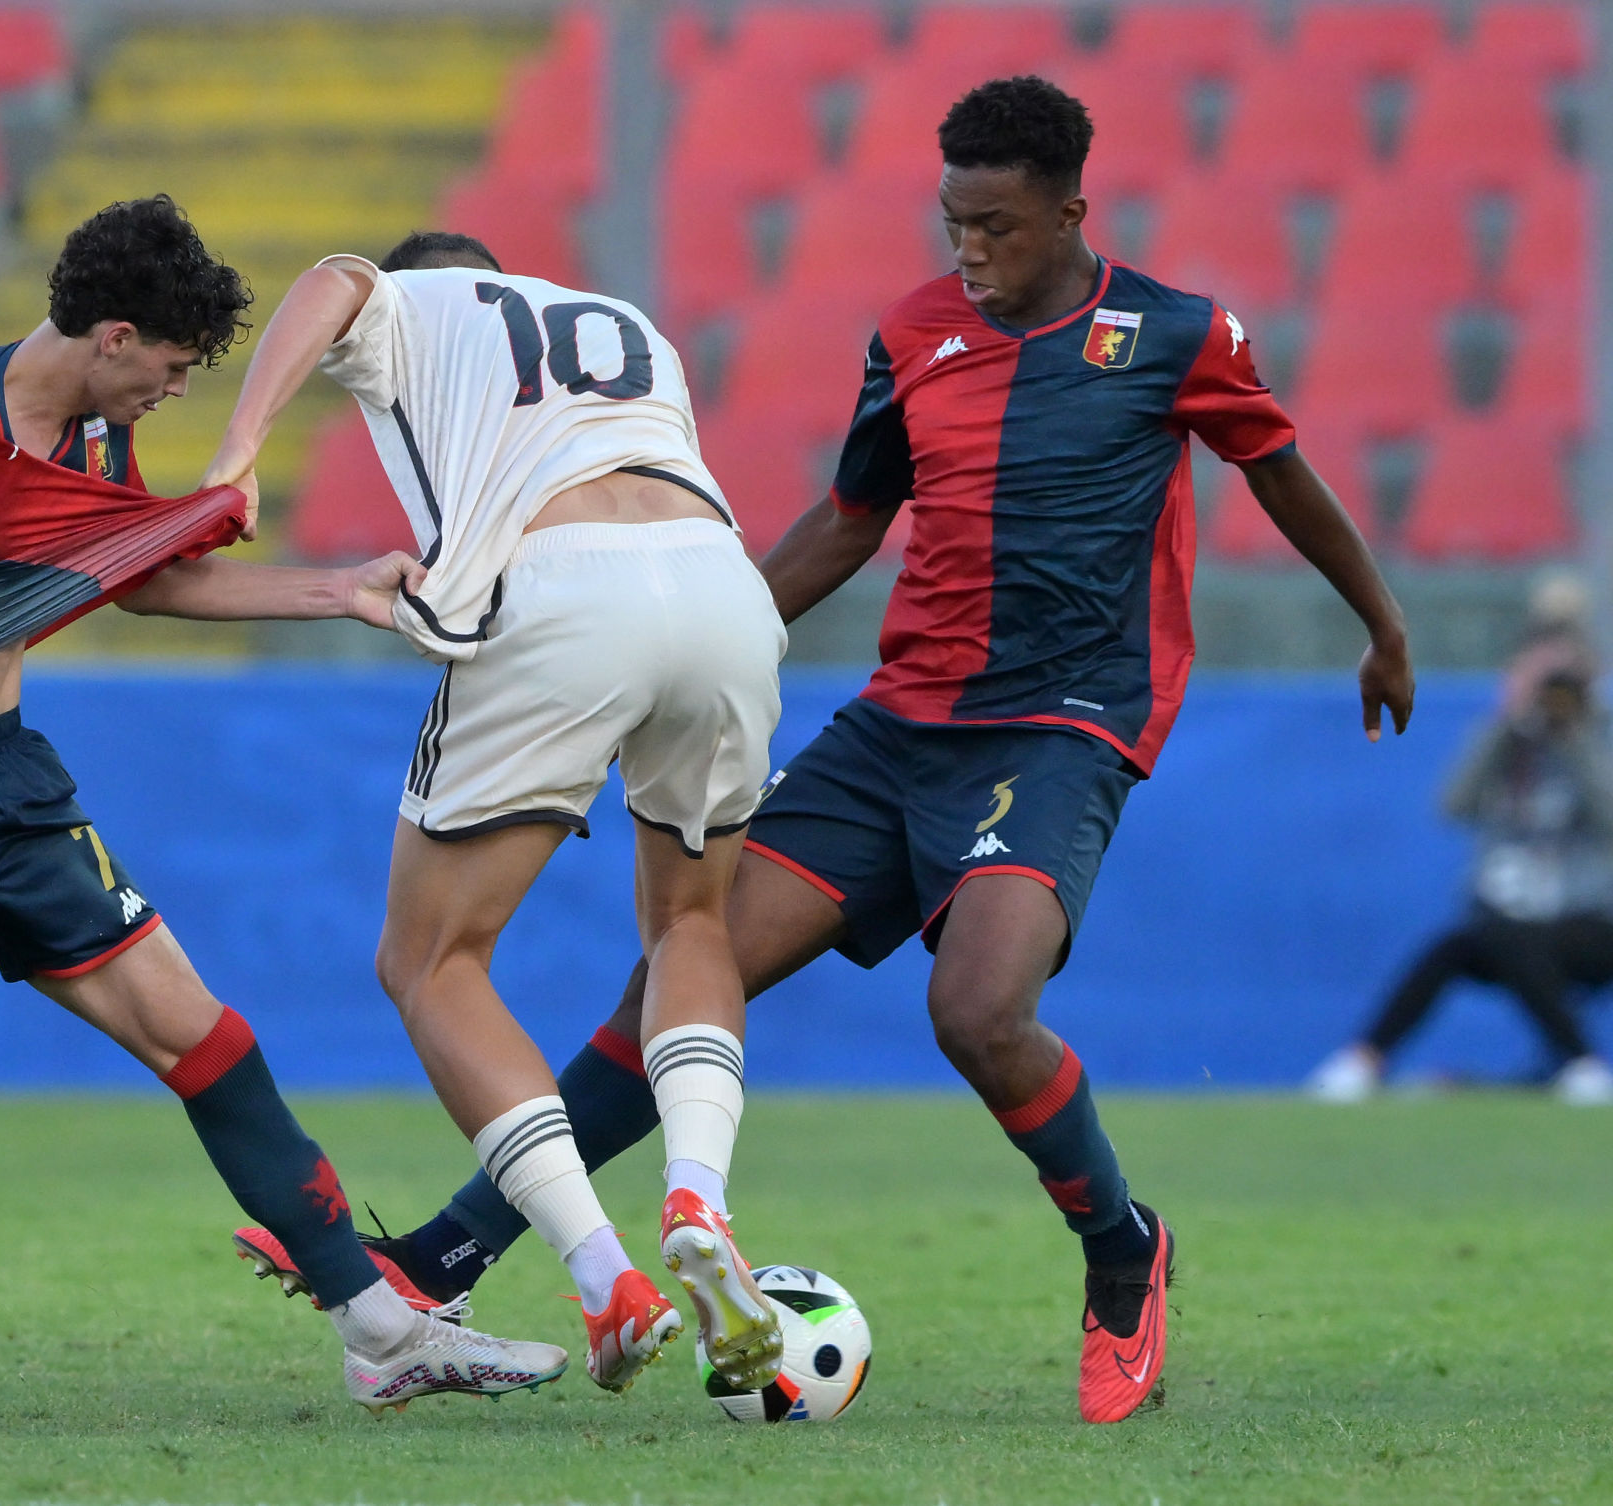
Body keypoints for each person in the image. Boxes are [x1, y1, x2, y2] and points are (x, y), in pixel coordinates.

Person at [320, 77, 1419, 1425]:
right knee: (681, 964)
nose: (970, 249)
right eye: (955, 222)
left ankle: (1124, 1251)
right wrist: (712, 639)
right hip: (898, 727)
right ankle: (444, 1255)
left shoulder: (1178, 335)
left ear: (1070, 212)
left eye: (998, 226)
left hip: (1061, 727)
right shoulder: (915, 333)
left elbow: (1283, 472)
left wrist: (1380, 624)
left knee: (978, 1010)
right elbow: (848, 521)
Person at [0, 197, 566, 1433]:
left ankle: (379, 1334)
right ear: (113, 337)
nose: (170, 392)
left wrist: (342, 591)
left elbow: (147, 583)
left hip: (12, 784)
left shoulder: (96, 441)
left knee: (206, 1041)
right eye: (166, 368)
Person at [205, 230, 791, 1393]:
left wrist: (237, 449)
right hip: (722, 582)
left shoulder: (413, 301)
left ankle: (601, 1276)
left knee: (431, 960)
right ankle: (699, 1200)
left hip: (564, 583)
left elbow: (333, 281)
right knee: (691, 923)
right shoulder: (624, 321)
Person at [1310, 640, 1613, 1105]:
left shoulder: (1599, 735)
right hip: (1513, 920)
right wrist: (1506, 723)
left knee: (1507, 935)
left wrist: (1573, 735)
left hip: (1588, 921)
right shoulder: (1508, 745)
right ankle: (1362, 1060)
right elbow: (1454, 805)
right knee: (1454, 948)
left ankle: (1581, 1064)